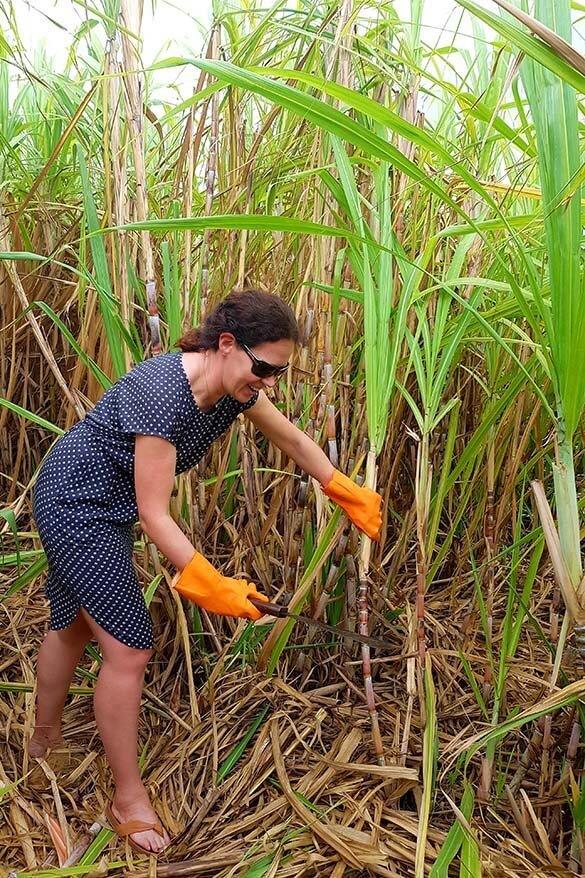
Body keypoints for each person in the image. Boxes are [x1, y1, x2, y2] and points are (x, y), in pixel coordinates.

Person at [29, 288, 382, 856]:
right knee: (130, 649)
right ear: (226, 345)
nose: (269, 382)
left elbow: (290, 437)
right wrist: (210, 581)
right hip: (77, 502)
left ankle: (41, 747)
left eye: (278, 373)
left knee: (72, 626)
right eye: (264, 368)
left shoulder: (230, 390)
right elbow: (154, 513)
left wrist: (344, 489)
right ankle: (127, 798)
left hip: (97, 498)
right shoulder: (162, 396)